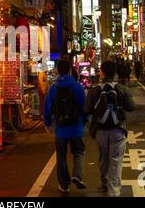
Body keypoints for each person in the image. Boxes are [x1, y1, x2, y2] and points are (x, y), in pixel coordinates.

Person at [84, 61, 135, 197]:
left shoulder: (94, 90)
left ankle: (105, 183)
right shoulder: (121, 89)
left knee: (103, 159)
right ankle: (113, 191)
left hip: (100, 130)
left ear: (102, 72)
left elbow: (86, 109)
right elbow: (131, 107)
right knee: (116, 161)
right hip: (118, 129)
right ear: (115, 73)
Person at [43, 60, 87, 193]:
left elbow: (48, 107)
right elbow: (83, 107)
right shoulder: (77, 87)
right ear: (70, 70)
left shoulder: (53, 88)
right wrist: (83, 121)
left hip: (61, 129)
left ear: (57, 71)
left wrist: (47, 123)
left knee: (61, 156)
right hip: (76, 127)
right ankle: (77, 175)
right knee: (79, 151)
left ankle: (64, 184)